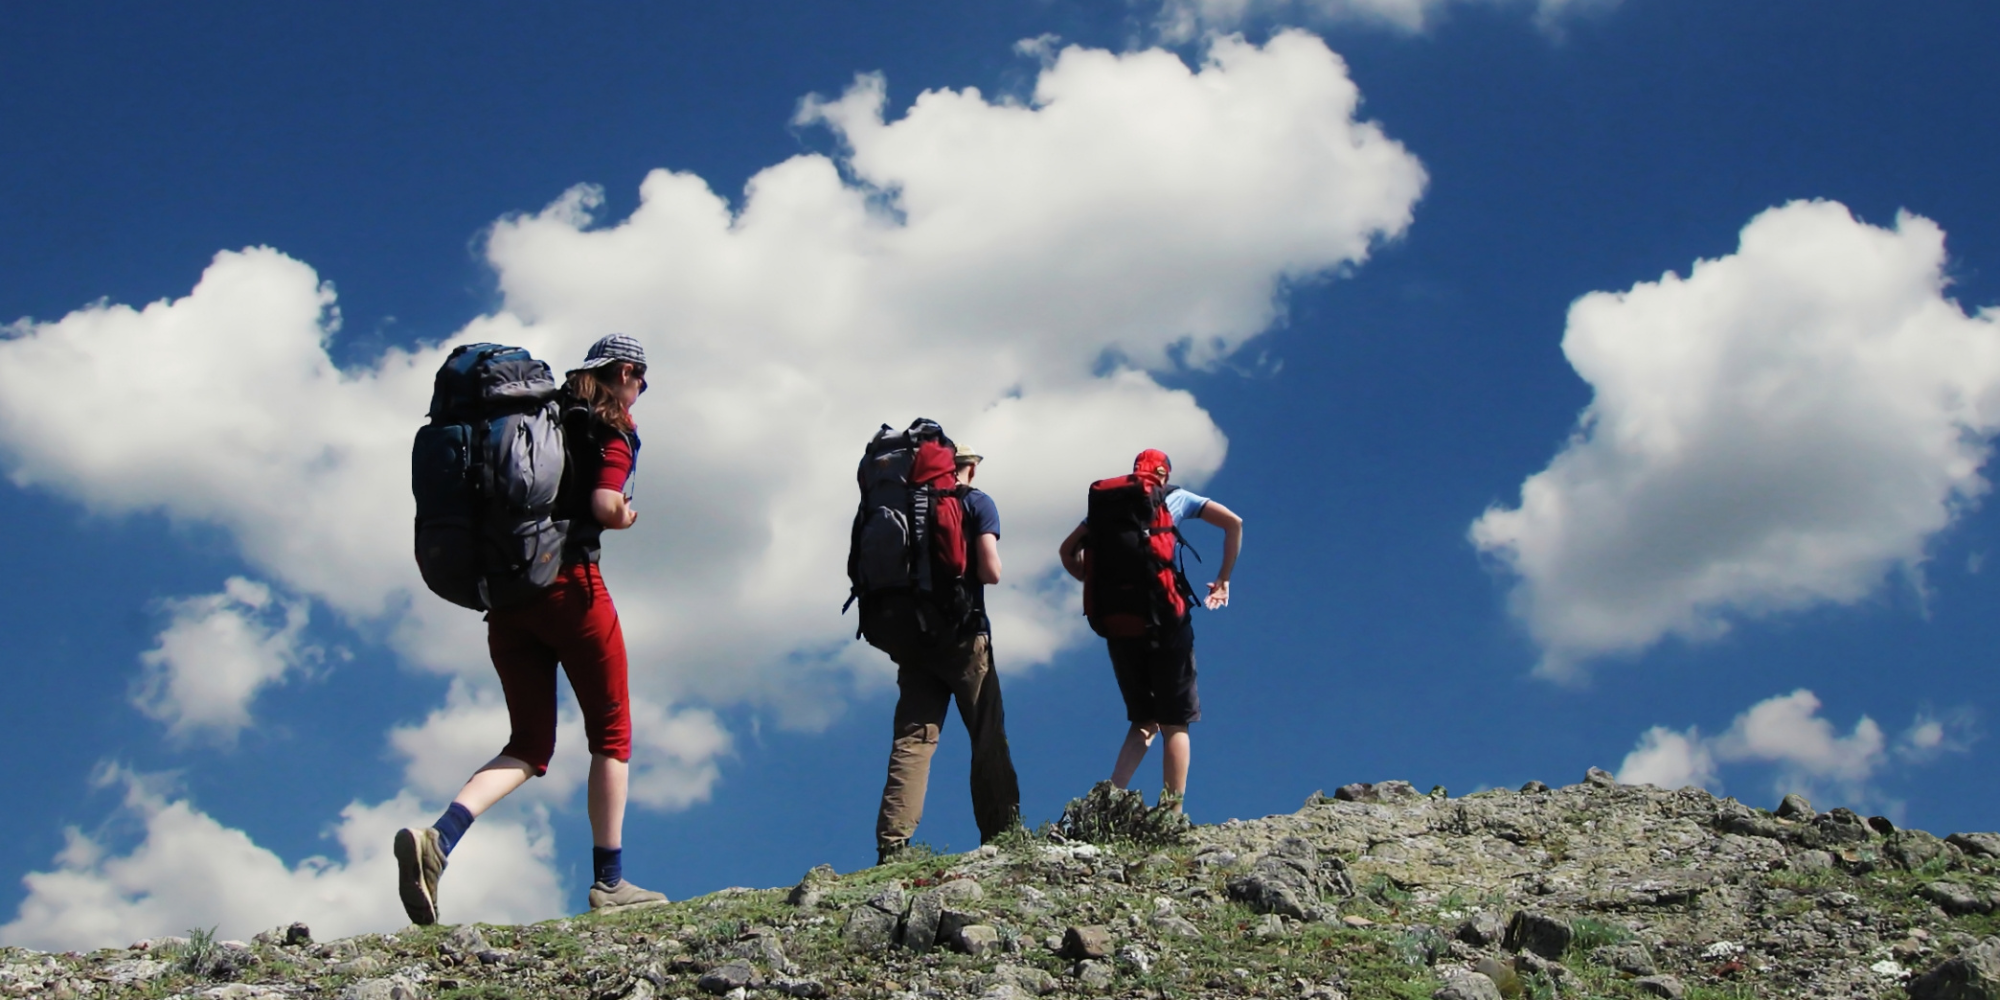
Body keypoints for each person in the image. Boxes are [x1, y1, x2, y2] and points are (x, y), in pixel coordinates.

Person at [395, 333, 667, 925]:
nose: (641, 390)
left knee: (527, 744)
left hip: (508, 598)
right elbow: (603, 505)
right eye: (642, 380)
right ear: (625, 371)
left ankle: (439, 838)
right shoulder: (610, 425)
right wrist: (624, 515)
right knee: (612, 737)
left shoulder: (537, 416)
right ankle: (610, 882)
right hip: (573, 591)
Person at [1058, 449, 1241, 812]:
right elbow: (1233, 523)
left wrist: (1094, 582)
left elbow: (1067, 551)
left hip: (1118, 622)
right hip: (1167, 621)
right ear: (1164, 474)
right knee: (1175, 722)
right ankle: (1171, 813)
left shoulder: (1107, 507)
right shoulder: (1175, 497)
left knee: (1143, 719)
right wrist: (1223, 579)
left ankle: (1107, 803)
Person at [874, 443, 1022, 864]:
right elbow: (990, 572)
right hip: (964, 634)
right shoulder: (976, 502)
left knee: (913, 739)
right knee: (987, 733)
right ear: (969, 468)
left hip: (913, 640)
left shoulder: (904, 506)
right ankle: (1001, 833)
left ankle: (893, 843)